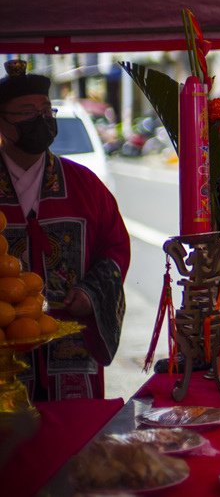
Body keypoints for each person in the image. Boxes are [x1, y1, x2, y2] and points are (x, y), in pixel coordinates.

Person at [0, 60, 130, 400]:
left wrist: (91, 293)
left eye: (46, 109)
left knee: (77, 443)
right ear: (2, 122)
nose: (41, 119)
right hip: (5, 351)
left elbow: (115, 248)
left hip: (72, 347)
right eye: (27, 112)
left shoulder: (84, 185)